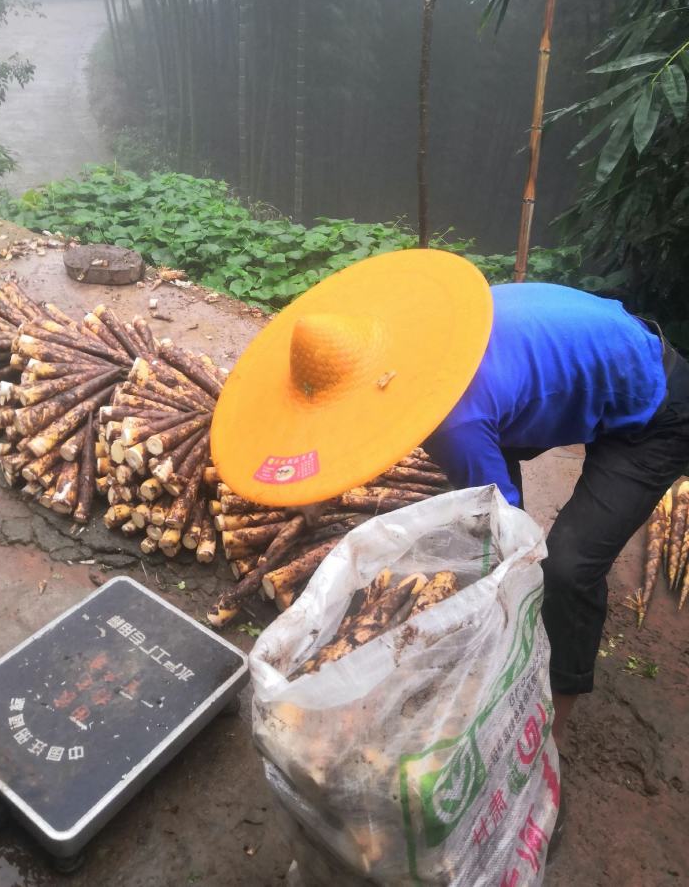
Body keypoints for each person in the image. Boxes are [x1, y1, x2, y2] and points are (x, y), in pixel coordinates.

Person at [211, 249, 689, 749]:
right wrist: (313, 487)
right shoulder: (411, 344)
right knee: (477, 484)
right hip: (588, 362)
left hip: (656, 408)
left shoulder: (456, 420)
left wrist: (492, 574)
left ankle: (555, 718)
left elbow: (505, 526)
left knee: (566, 568)